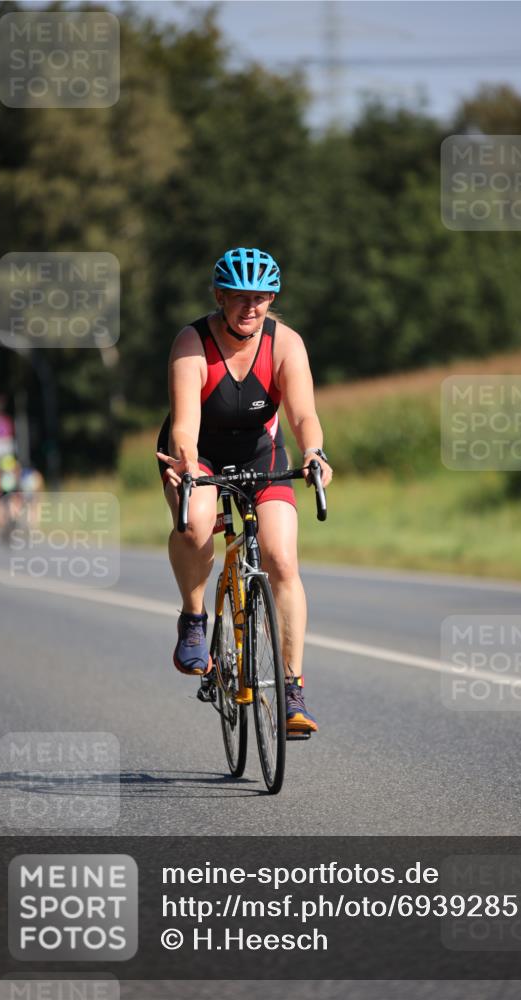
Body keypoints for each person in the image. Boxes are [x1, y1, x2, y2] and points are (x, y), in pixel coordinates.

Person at [156, 247, 332, 736]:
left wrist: (313, 452)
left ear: (271, 298)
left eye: (260, 298)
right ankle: (194, 620)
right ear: (219, 297)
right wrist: (187, 462)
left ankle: (293, 691)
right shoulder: (191, 343)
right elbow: (185, 425)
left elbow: (302, 415)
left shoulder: (285, 343)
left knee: (281, 558)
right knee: (195, 528)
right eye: (239, 298)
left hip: (260, 452)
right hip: (199, 452)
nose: (249, 307)